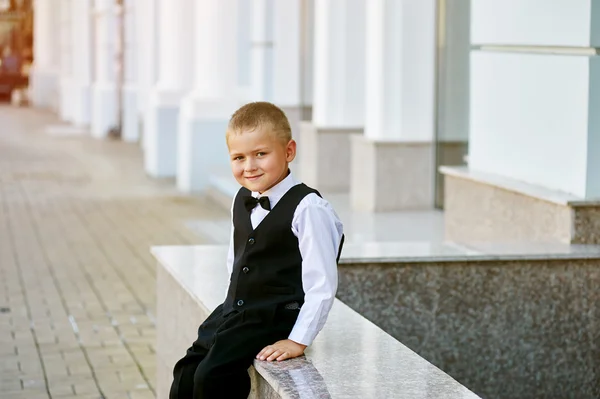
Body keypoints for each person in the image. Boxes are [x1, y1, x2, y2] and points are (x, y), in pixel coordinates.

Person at [169, 102, 344, 398]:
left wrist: (298, 341)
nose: (249, 166)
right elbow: (237, 258)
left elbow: (322, 284)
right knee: (186, 371)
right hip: (240, 309)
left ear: (289, 151)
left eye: (260, 154)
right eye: (239, 157)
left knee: (213, 377)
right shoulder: (243, 197)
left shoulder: (308, 208)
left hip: (277, 314)